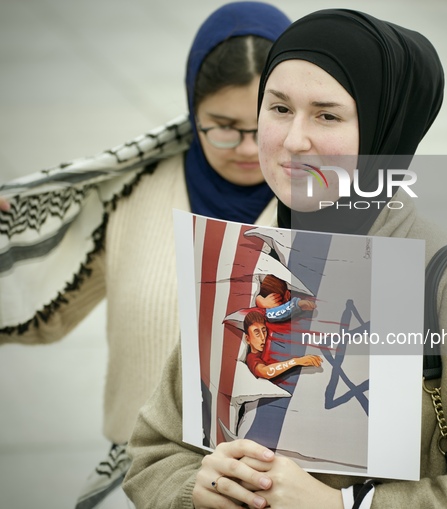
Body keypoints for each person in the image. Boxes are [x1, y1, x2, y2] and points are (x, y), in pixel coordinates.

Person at [122, 8, 447, 509]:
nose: (295, 140)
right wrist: (198, 489)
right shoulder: (247, 260)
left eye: (328, 115)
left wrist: (345, 505)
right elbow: (153, 451)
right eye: (278, 109)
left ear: (385, 132)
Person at [0, 2, 290, 508]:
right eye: (222, 126)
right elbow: (45, 315)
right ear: (191, 111)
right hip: (142, 477)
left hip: (269, 486)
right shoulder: (131, 194)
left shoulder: (324, 210)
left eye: (262, 125)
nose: (245, 148)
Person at [242, 310, 322, 379]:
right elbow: (265, 372)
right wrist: (296, 361)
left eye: (264, 331)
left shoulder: (271, 344)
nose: (263, 337)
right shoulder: (252, 358)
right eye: (257, 333)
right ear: (247, 339)